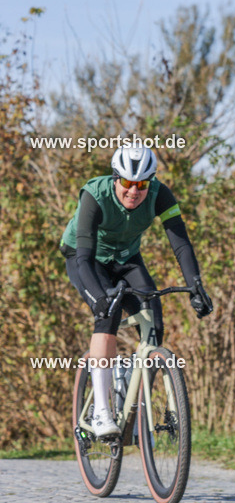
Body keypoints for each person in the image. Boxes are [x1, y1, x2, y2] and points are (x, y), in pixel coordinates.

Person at [60, 143, 213, 439]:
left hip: (127, 259)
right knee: (108, 314)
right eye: (127, 183)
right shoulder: (95, 194)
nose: (134, 191)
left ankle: (130, 392)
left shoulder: (160, 194)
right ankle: (102, 411)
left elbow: (180, 243)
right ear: (116, 178)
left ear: (150, 181)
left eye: (142, 183)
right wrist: (100, 299)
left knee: (154, 319)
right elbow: (83, 256)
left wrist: (196, 286)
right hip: (86, 259)